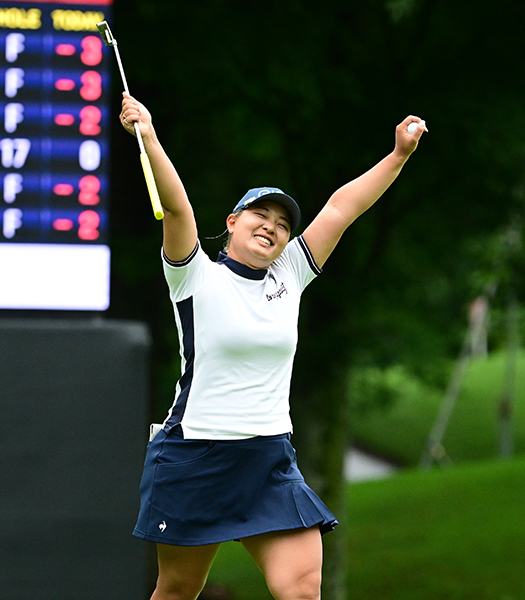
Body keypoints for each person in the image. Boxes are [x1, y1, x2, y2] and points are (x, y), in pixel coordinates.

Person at [121, 92, 425, 600]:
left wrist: (397, 156)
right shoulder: (194, 275)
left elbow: (341, 208)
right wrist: (148, 137)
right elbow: (177, 206)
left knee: (302, 588)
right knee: (176, 590)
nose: (273, 227)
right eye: (260, 214)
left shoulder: (290, 274)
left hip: (267, 459)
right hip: (195, 453)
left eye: (283, 224)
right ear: (232, 222)